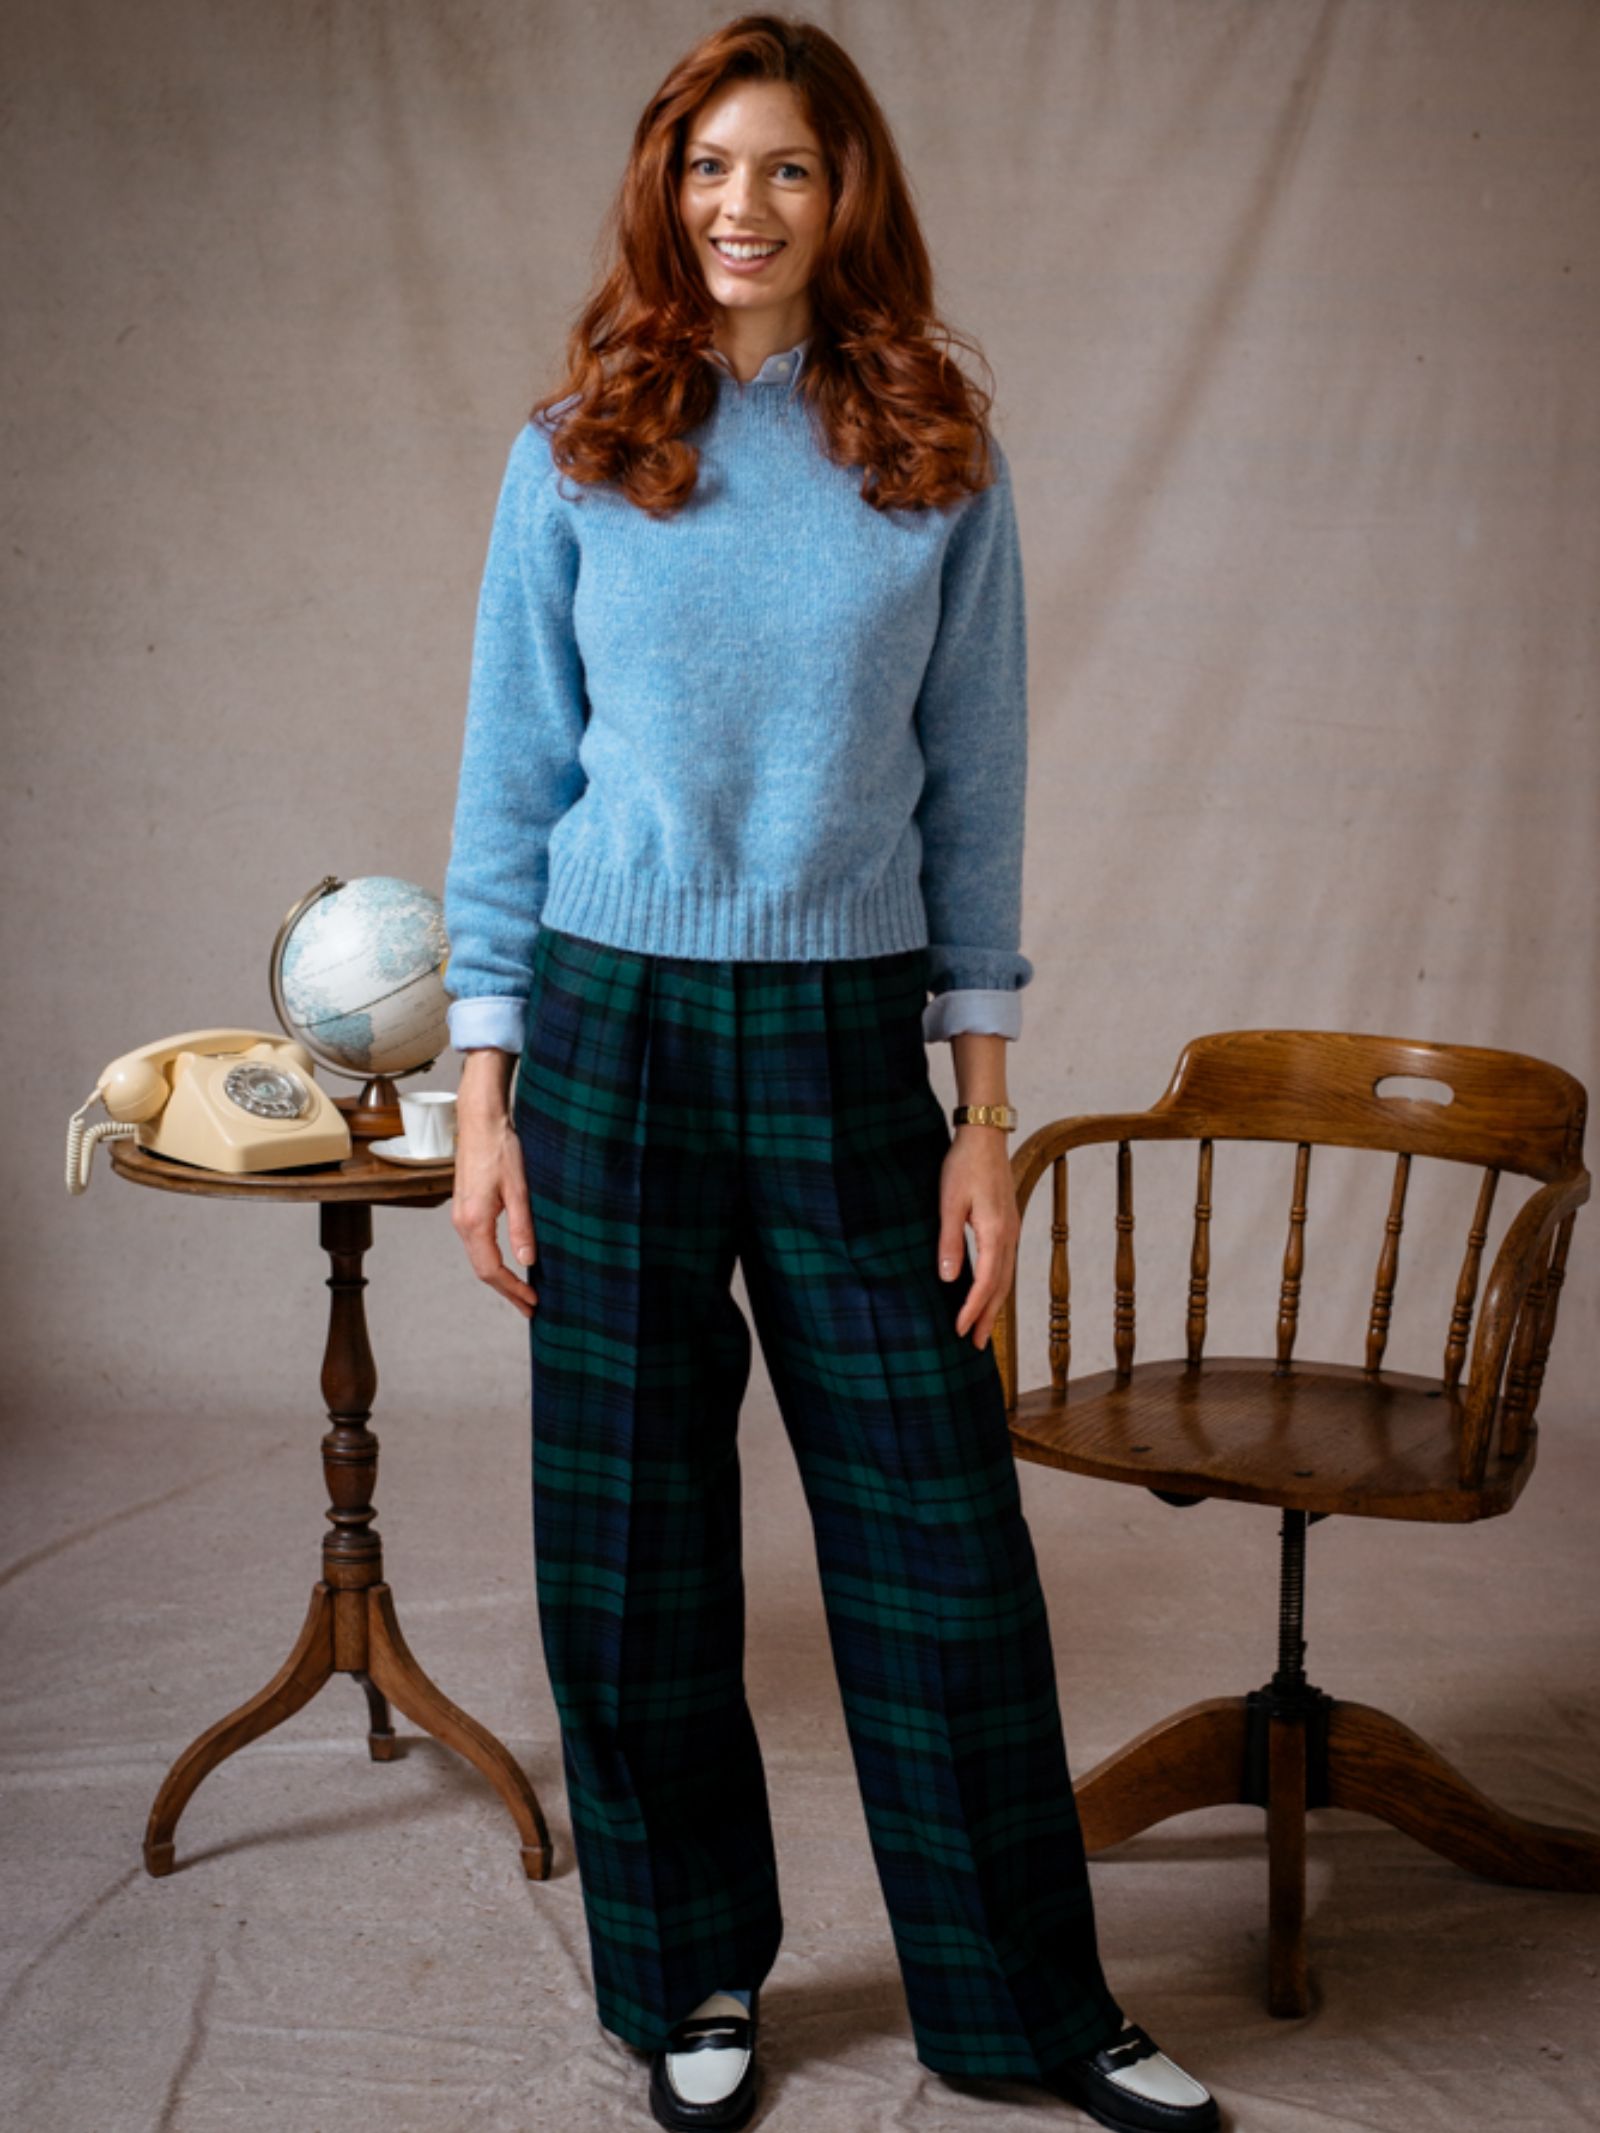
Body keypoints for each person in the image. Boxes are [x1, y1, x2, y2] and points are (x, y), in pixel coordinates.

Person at [442, 15, 1219, 2133]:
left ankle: (1029, 2008)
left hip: (841, 1027)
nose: (739, 208)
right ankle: (684, 1966)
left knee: (933, 1533)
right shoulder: (574, 447)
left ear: (843, 194)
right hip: (602, 1025)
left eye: (783, 169)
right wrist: (484, 1103)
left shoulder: (928, 453)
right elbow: (508, 784)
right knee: (626, 1535)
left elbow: (975, 802)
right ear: (658, 184)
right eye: (706, 165)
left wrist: (982, 1121)